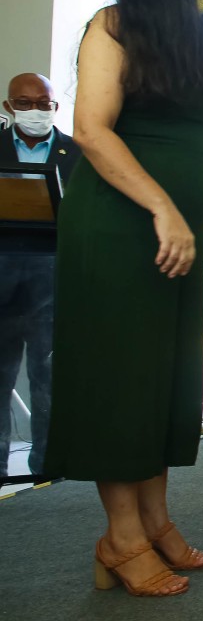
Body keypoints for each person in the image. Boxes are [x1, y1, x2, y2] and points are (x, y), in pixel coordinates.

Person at [42, 0, 203, 596]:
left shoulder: (192, 42)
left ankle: (157, 521)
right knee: (121, 381)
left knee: (162, 380)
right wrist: (163, 209)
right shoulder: (111, 27)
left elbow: (189, 147)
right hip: (119, 227)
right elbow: (91, 130)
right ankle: (122, 538)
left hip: (178, 233)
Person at [0, 74, 81, 480]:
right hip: (3, 266)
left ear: (55, 107)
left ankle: (48, 467)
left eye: (42, 103)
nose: (35, 110)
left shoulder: (79, 153)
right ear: (8, 106)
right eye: (24, 102)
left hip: (53, 270)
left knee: (47, 375)